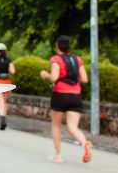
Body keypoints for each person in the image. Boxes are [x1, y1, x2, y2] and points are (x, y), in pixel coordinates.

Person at [39, 35, 93, 163]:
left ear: (57, 46)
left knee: (56, 126)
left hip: (60, 95)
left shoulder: (56, 59)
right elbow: (84, 79)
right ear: (69, 47)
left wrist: (45, 75)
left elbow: (54, 77)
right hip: (75, 96)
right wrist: (72, 79)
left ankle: (58, 155)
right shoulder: (77, 60)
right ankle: (84, 142)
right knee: (73, 127)